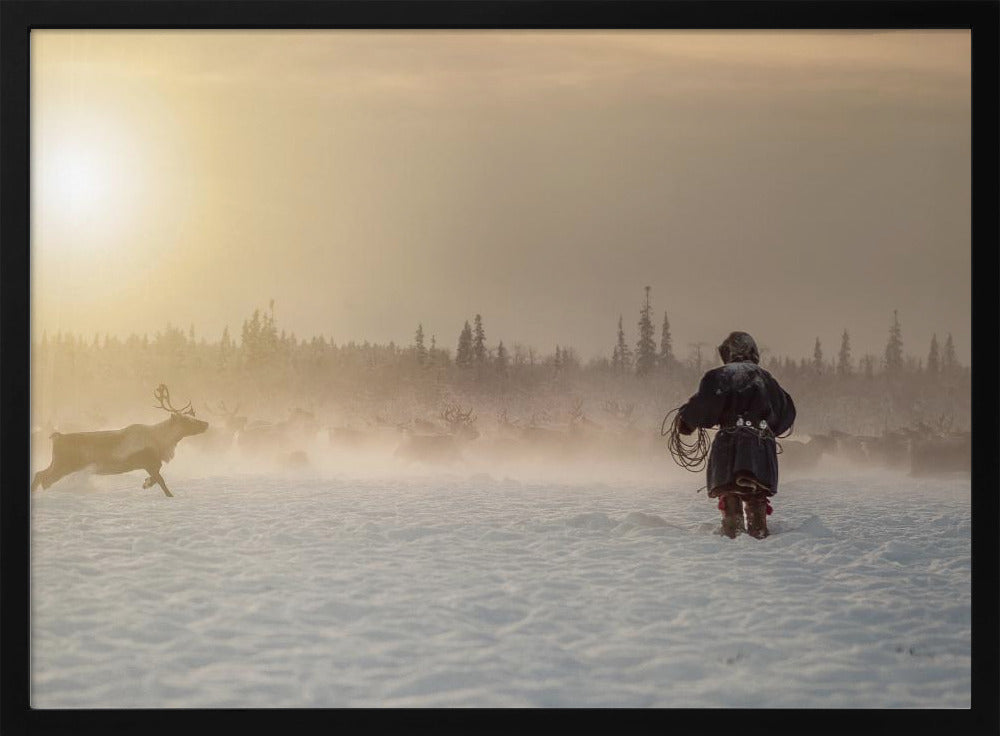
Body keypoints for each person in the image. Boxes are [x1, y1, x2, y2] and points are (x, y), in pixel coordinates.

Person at [677, 331, 796, 538]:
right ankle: (759, 533)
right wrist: (767, 427)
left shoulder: (719, 376)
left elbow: (703, 405)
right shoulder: (767, 379)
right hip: (761, 447)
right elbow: (787, 413)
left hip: (729, 446)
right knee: (757, 495)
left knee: (730, 491)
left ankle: (732, 535)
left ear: (728, 352)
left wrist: (686, 422)